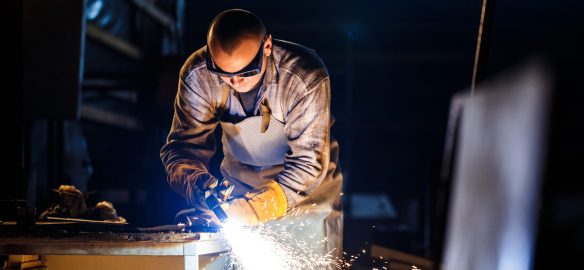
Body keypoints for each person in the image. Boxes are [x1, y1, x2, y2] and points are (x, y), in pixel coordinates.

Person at [160, 8, 343, 260]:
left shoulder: (303, 76)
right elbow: (182, 148)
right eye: (223, 73)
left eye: (245, 73)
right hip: (240, 182)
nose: (234, 82)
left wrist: (254, 209)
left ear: (267, 46)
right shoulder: (197, 74)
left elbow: (308, 163)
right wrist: (196, 184)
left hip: (304, 194)